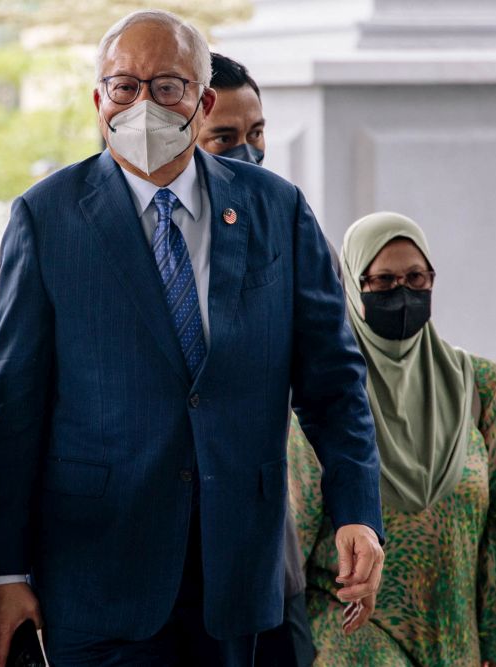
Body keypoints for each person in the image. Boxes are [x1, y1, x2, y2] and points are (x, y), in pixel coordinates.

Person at [0, 10, 385, 667]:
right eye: (123, 87)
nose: (142, 105)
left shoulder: (276, 210)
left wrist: (357, 511)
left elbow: (335, 386)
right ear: (96, 100)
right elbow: (15, 410)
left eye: (166, 86)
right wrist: (3, 574)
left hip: (237, 571)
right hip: (97, 574)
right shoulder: (46, 216)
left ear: (203, 100)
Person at [288, 212, 496, 666]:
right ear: (354, 289)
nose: (404, 293)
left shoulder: (478, 384)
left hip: (455, 643)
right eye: (384, 281)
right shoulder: (326, 392)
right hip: (353, 643)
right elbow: (294, 533)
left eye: (417, 277)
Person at [197, 52, 314, 667]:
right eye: (226, 138)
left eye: (257, 134)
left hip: (265, 554)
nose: (248, 151)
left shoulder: (284, 215)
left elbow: (329, 376)